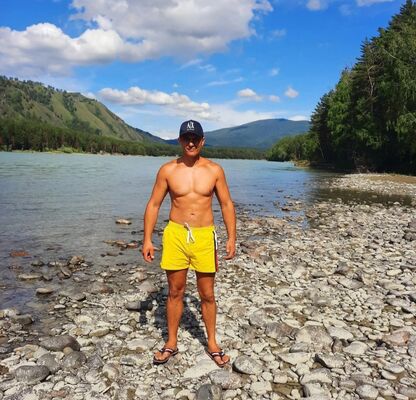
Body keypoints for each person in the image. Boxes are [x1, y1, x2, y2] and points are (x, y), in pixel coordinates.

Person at [142, 119, 236, 367]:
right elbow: (154, 204)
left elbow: (226, 204)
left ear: (202, 141)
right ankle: (171, 342)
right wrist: (147, 239)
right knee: (175, 291)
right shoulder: (168, 170)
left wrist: (232, 237)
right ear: (180, 140)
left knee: (207, 294)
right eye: (186, 138)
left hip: (204, 236)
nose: (191, 143)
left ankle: (212, 343)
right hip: (176, 234)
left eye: (195, 139)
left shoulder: (214, 170)